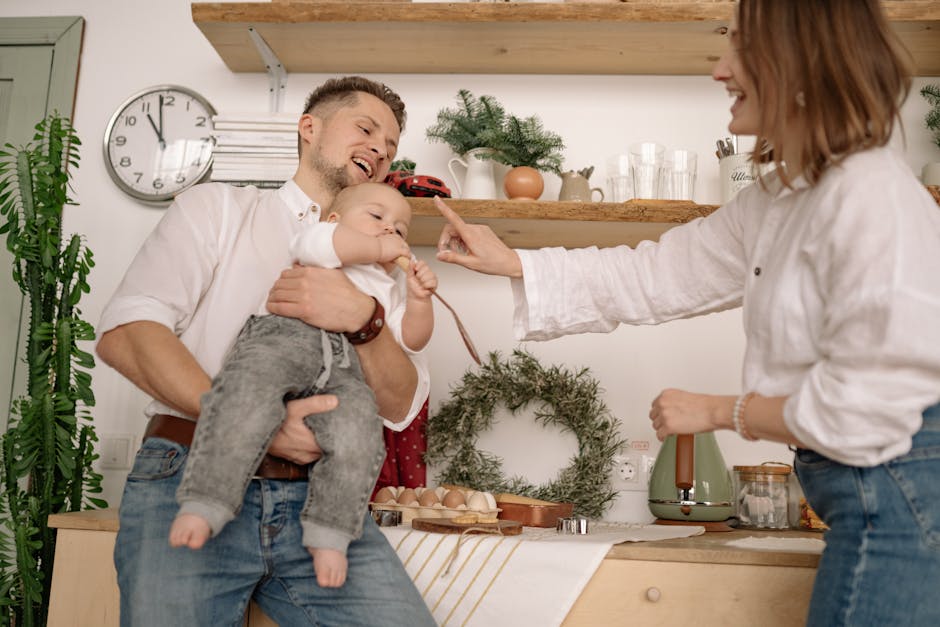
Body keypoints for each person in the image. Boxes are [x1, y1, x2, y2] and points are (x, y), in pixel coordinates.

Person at [432, 2, 940, 625]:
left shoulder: (870, 195)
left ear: (802, 61)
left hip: (906, 503)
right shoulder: (779, 201)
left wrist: (721, 411)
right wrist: (516, 263)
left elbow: (864, 410)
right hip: (870, 501)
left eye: (741, 47)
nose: (720, 70)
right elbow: (652, 275)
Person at [97, 76, 436, 626]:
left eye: (391, 147)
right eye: (366, 129)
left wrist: (365, 319)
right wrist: (252, 422)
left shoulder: (381, 274)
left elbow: (399, 405)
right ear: (310, 128)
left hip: (323, 498)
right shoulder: (219, 208)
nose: (380, 149)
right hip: (189, 469)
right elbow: (128, 331)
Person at [168, 182, 437, 589]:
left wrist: (419, 300)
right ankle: (206, 500)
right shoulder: (319, 239)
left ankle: (330, 533)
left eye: (401, 230)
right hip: (284, 339)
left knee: (360, 434)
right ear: (333, 219)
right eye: (377, 217)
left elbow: (409, 340)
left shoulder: (388, 287)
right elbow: (334, 245)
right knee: (245, 394)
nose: (390, 232)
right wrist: (382, 248)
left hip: (343, 368)